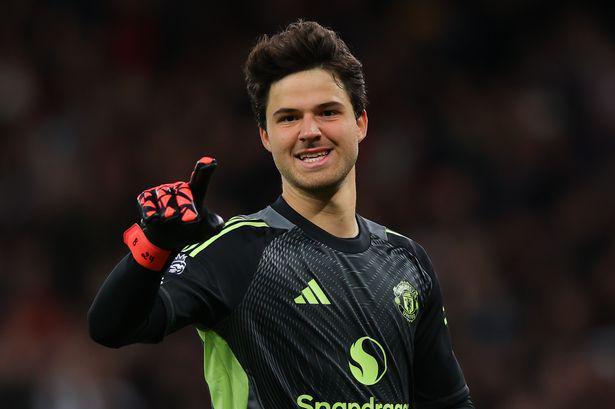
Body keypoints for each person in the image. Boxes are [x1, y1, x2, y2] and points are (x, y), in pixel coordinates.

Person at [88, 20, 474, 409]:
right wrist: (154, 246)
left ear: (360, 123)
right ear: (266, 136)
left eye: (327, 112)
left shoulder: (407, 261)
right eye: (289, 117)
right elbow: (110, 327)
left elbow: (449, 404)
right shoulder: (237, 251)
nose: (309, 131)